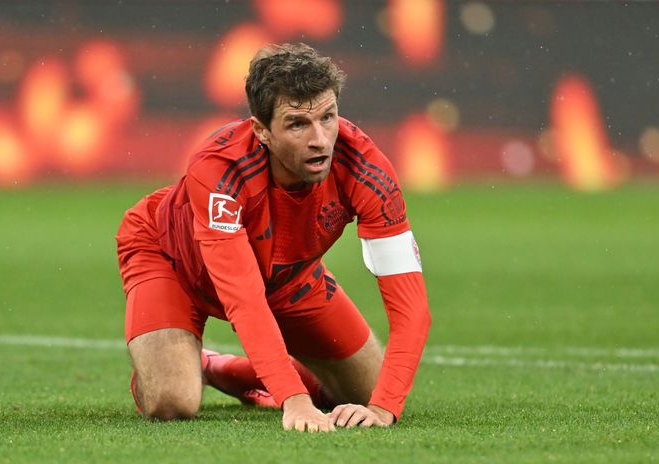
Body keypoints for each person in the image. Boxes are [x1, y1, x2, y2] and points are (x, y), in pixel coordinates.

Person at [115, 43, 431, 432]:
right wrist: (294, 400)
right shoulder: (219, 171)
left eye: (328, 117)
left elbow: (411, 310)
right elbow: (244, 300)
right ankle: (182, 367)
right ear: (260, 130)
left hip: (288, 277)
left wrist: (383, 409)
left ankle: (221, 368)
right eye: (297, 124)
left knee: (368, 393)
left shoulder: (367, 170)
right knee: (171, 403)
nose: (320, 139)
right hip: (172, 258)